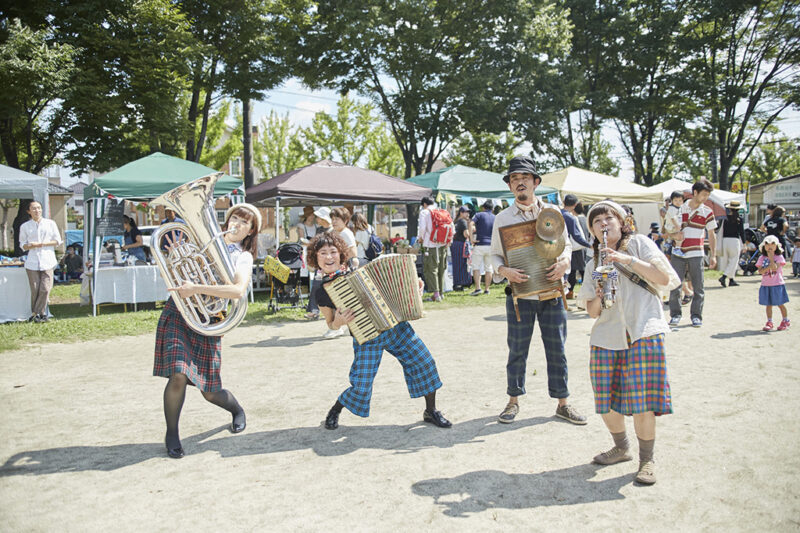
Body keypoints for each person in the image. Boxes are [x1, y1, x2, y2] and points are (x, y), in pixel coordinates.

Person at [308, 231, 452, 430]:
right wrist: (339, 322)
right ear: (315, 258)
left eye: (333, 252)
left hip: (396, 328)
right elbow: (331, 324)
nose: (329, 257)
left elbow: (400, 281)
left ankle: (431, 411)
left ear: (341, 254)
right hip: (367, 336)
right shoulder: (322, 292)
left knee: (424, 362)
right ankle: (336, 409)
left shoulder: (360, 268)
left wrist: (415, 286)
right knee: (362, 384)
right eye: (322, 253)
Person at [579, 200, 679, 486]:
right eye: (596, 222)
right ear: (593, 231)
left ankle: (646, 460)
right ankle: (621, 447)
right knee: (605, 399)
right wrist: (599, 292)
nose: (603, 224)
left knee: (643, 400)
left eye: (608, 218)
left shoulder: (639, 244)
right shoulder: (592, 263)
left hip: (643, 329)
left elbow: (665, 279)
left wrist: (626, 261)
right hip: (606, 336)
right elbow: (592, 311)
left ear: (622, 222)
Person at [153, 203, 261, 459]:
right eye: (235, 217)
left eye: (245, 222)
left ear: (250, 232)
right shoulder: (200, 242)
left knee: (209, 391)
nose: (237, 223)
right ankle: (172, 434)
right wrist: (173, 257)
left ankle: (237, 410)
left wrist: (198, 288)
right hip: (179, 312)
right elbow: (173, 274)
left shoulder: (242, 256)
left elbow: (237, 290)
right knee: (178, 373)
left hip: (208, 319)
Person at [490, 156, 586, 426]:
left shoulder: (553, 213)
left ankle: (563, 403)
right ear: (510, 186)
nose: (519, 182)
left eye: (524, 178)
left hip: (552, 293)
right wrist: (505, 272)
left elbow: (566, 245)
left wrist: (565, 262)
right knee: (517, 350)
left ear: (535, 182)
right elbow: (495, 256)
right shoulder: (502, 219)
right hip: (521, 296)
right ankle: (513, 400)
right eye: (514, 179)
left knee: (557, 349)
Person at [666, 178, 717, 328]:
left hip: (697, 252)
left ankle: (696, 316)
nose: (705, 198)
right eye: (703, 194)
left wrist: (713, 255)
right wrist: (674, 235)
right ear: (695, 192)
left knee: (698, 285)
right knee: (676, 284)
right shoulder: (679, 208)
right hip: (678, 251)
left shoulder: (707, 212)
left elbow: (712, 234)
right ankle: (675, 314)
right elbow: (668, 230)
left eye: (708, 195)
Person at [19, 201, 62, 323]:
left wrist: (41, 244)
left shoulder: (50, 224)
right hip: (32, 262)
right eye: (34, 209)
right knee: (35, 289)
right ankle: (41, 315)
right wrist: (30, 246)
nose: (37, 210)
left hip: (47, 260)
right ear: (29, 211)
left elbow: (57, 241)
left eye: (39, 208)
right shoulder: (25, 226)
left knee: (45, 288)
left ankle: (35, 313)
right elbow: (22, 245)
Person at [561, 194, 592, 299]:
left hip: (553, 249)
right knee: (566, 275)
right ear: (574, 205)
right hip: (565, 249)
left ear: (564, 202)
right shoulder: (570, 218)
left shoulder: (556, 213)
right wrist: (589, 245)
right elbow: (577, 236)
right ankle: (563, 303)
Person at [417, 196, 449, 302]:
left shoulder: (424, 212)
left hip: (430, 244)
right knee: (441, 268)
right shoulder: (441, 211)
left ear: (424, 204)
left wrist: (420, 238)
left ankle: (436, 294)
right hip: (442, 244)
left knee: (431, 269)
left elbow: (422, 228)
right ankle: (441, 292)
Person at [756, 235, 790, 332]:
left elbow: (775, 267)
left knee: (780, 303)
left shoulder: (779, 257)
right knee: (768, 304)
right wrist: (768, 266)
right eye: (767, 244)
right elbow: (760, 271)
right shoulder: (761, 258)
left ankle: (785, 320)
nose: (769, 246)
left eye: (772, 243)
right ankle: (769, 321)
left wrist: (771, 258)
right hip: (766, 284)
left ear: (777, 246)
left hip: (777, 284)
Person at [716, 200, 745, 288]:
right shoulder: (739, 219)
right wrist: (744, 243)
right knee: (734, 260)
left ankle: (731, 279)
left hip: (725, 240)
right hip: (734, 241)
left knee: (727, 260)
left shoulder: (725, 218)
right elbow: (741, 232)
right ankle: (724, 277)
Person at [470, 200, 495, 296]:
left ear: (483, 207)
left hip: (480, 244)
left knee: (476, 267)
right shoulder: (495, 217)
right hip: (491, 245)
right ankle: (487, 289)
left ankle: (477, 288)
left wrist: (471, 238)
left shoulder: (479, 215)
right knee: (489, 268)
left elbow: (471, 224)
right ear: (492, 209)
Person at [451, 206, 472, 290]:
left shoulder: (455, 221)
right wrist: (471, 231)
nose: (468, 214)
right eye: (466, 212)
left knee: (456, 265)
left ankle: (457, 283)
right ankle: (462, 283)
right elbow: (466, 234)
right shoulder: (463, 222)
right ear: (461, 213)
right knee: (463, 264)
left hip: (454, 244)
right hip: (461, 245)